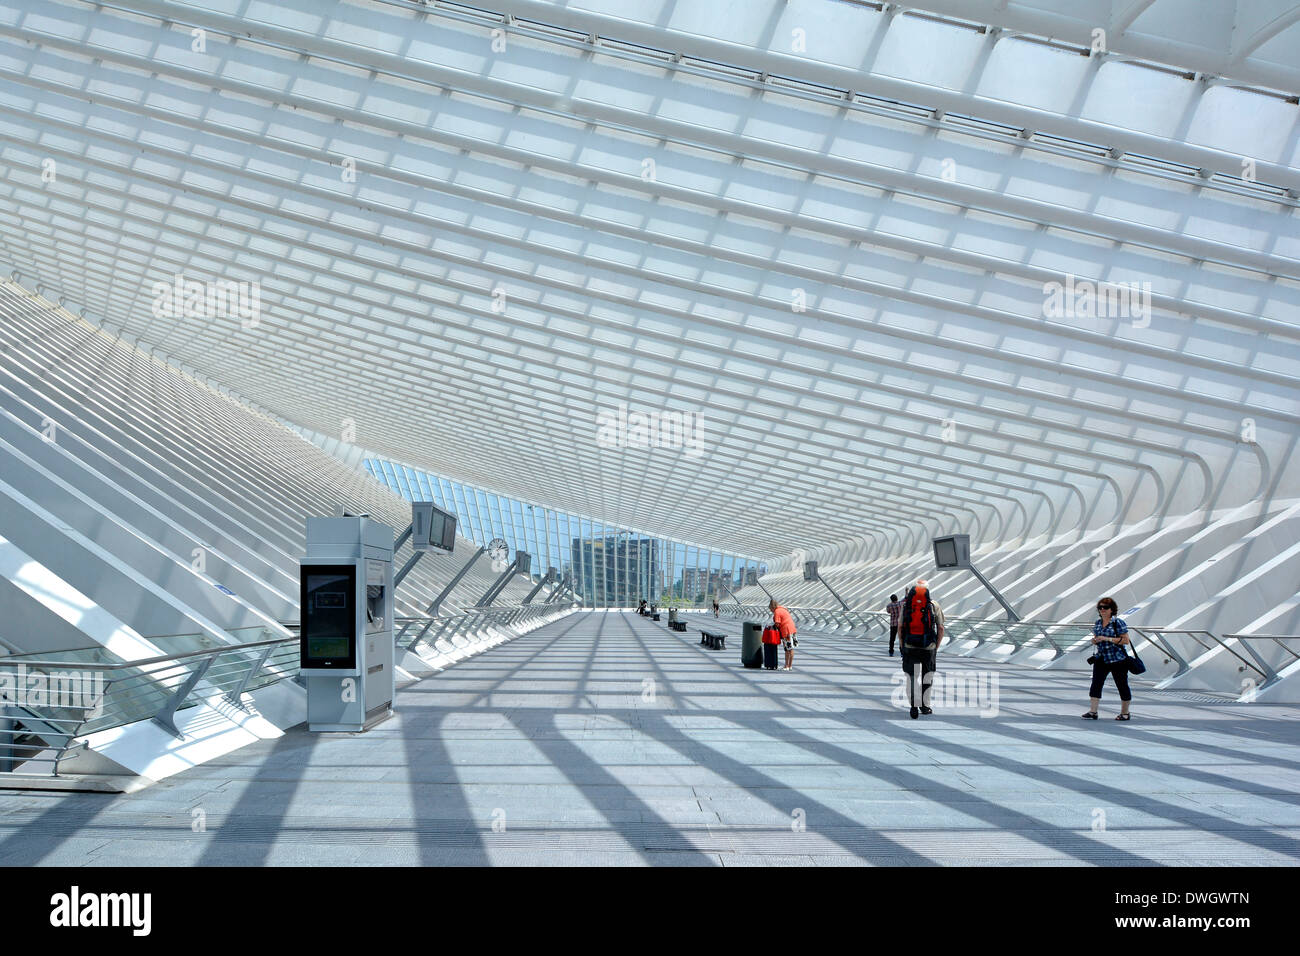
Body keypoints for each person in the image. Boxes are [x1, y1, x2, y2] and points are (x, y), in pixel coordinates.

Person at [898, 579, 943, 718]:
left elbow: (900, 627)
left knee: (911, 676)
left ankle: (913, 705)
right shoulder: (933, 605)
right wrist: (936, 646)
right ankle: (925, 706)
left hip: (910, 646)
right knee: (927, 676)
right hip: (928, 647)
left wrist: (901, 644)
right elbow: (940, 628)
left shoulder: (906, 605)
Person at [1083, 596, 1133, 721]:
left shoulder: (1118, 622)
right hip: (1101, 658)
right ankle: (1093, 711)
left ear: (1112, 609)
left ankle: (1125, 713)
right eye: (1100, 607)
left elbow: (1126, 640)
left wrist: (1107, 639)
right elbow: (1096, 637)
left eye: (1105, 607)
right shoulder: (1098, 623)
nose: (1102, 610)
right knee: (1096, 684)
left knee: (1121, 685)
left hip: (1117, 659)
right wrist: (1094, 640)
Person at [769, 598, 798, 671]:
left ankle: (787, 666)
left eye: (771, 609)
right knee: (790, 648)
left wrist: (772, 627)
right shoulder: (783, 609)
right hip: (792, 629)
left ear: (772, 607)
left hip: (786, 631)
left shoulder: (777, 611)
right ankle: (789, 666)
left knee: (788, 649)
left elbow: (777, 623)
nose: (771, 611)